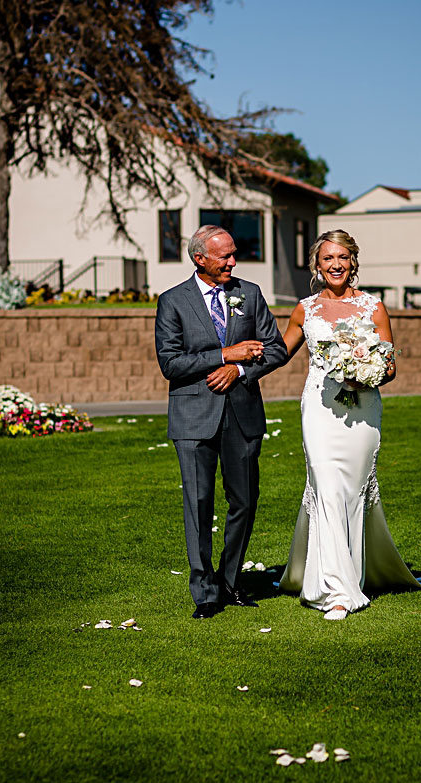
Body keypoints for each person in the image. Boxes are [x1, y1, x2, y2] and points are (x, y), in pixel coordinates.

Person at [276, 230, 421, 620]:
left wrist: (369, 375)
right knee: (326, 487)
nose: (336, 265)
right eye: (328, 258)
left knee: (353, 492)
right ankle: (339, 592)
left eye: (343, 257)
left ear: (353, 261)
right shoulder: (304, 309)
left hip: (363, 410)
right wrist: (235, 361)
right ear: (317, 265)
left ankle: (354, 572)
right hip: (320, 409)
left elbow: (390, 366)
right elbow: (278, 352)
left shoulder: (373, 307)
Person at [154, 225, 288, 619]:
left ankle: (230, 580)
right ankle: (205, 592)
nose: (233, 262)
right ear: (200, 259)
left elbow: (276, 348)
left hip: (242, 414)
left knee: (244, 500)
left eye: (233, 254)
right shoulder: (172, 301)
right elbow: (171, 363)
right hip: (193, 418)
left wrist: (241, 372)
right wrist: (225, 355)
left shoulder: (249, 294)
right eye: (224, 256)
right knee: (198, 503)